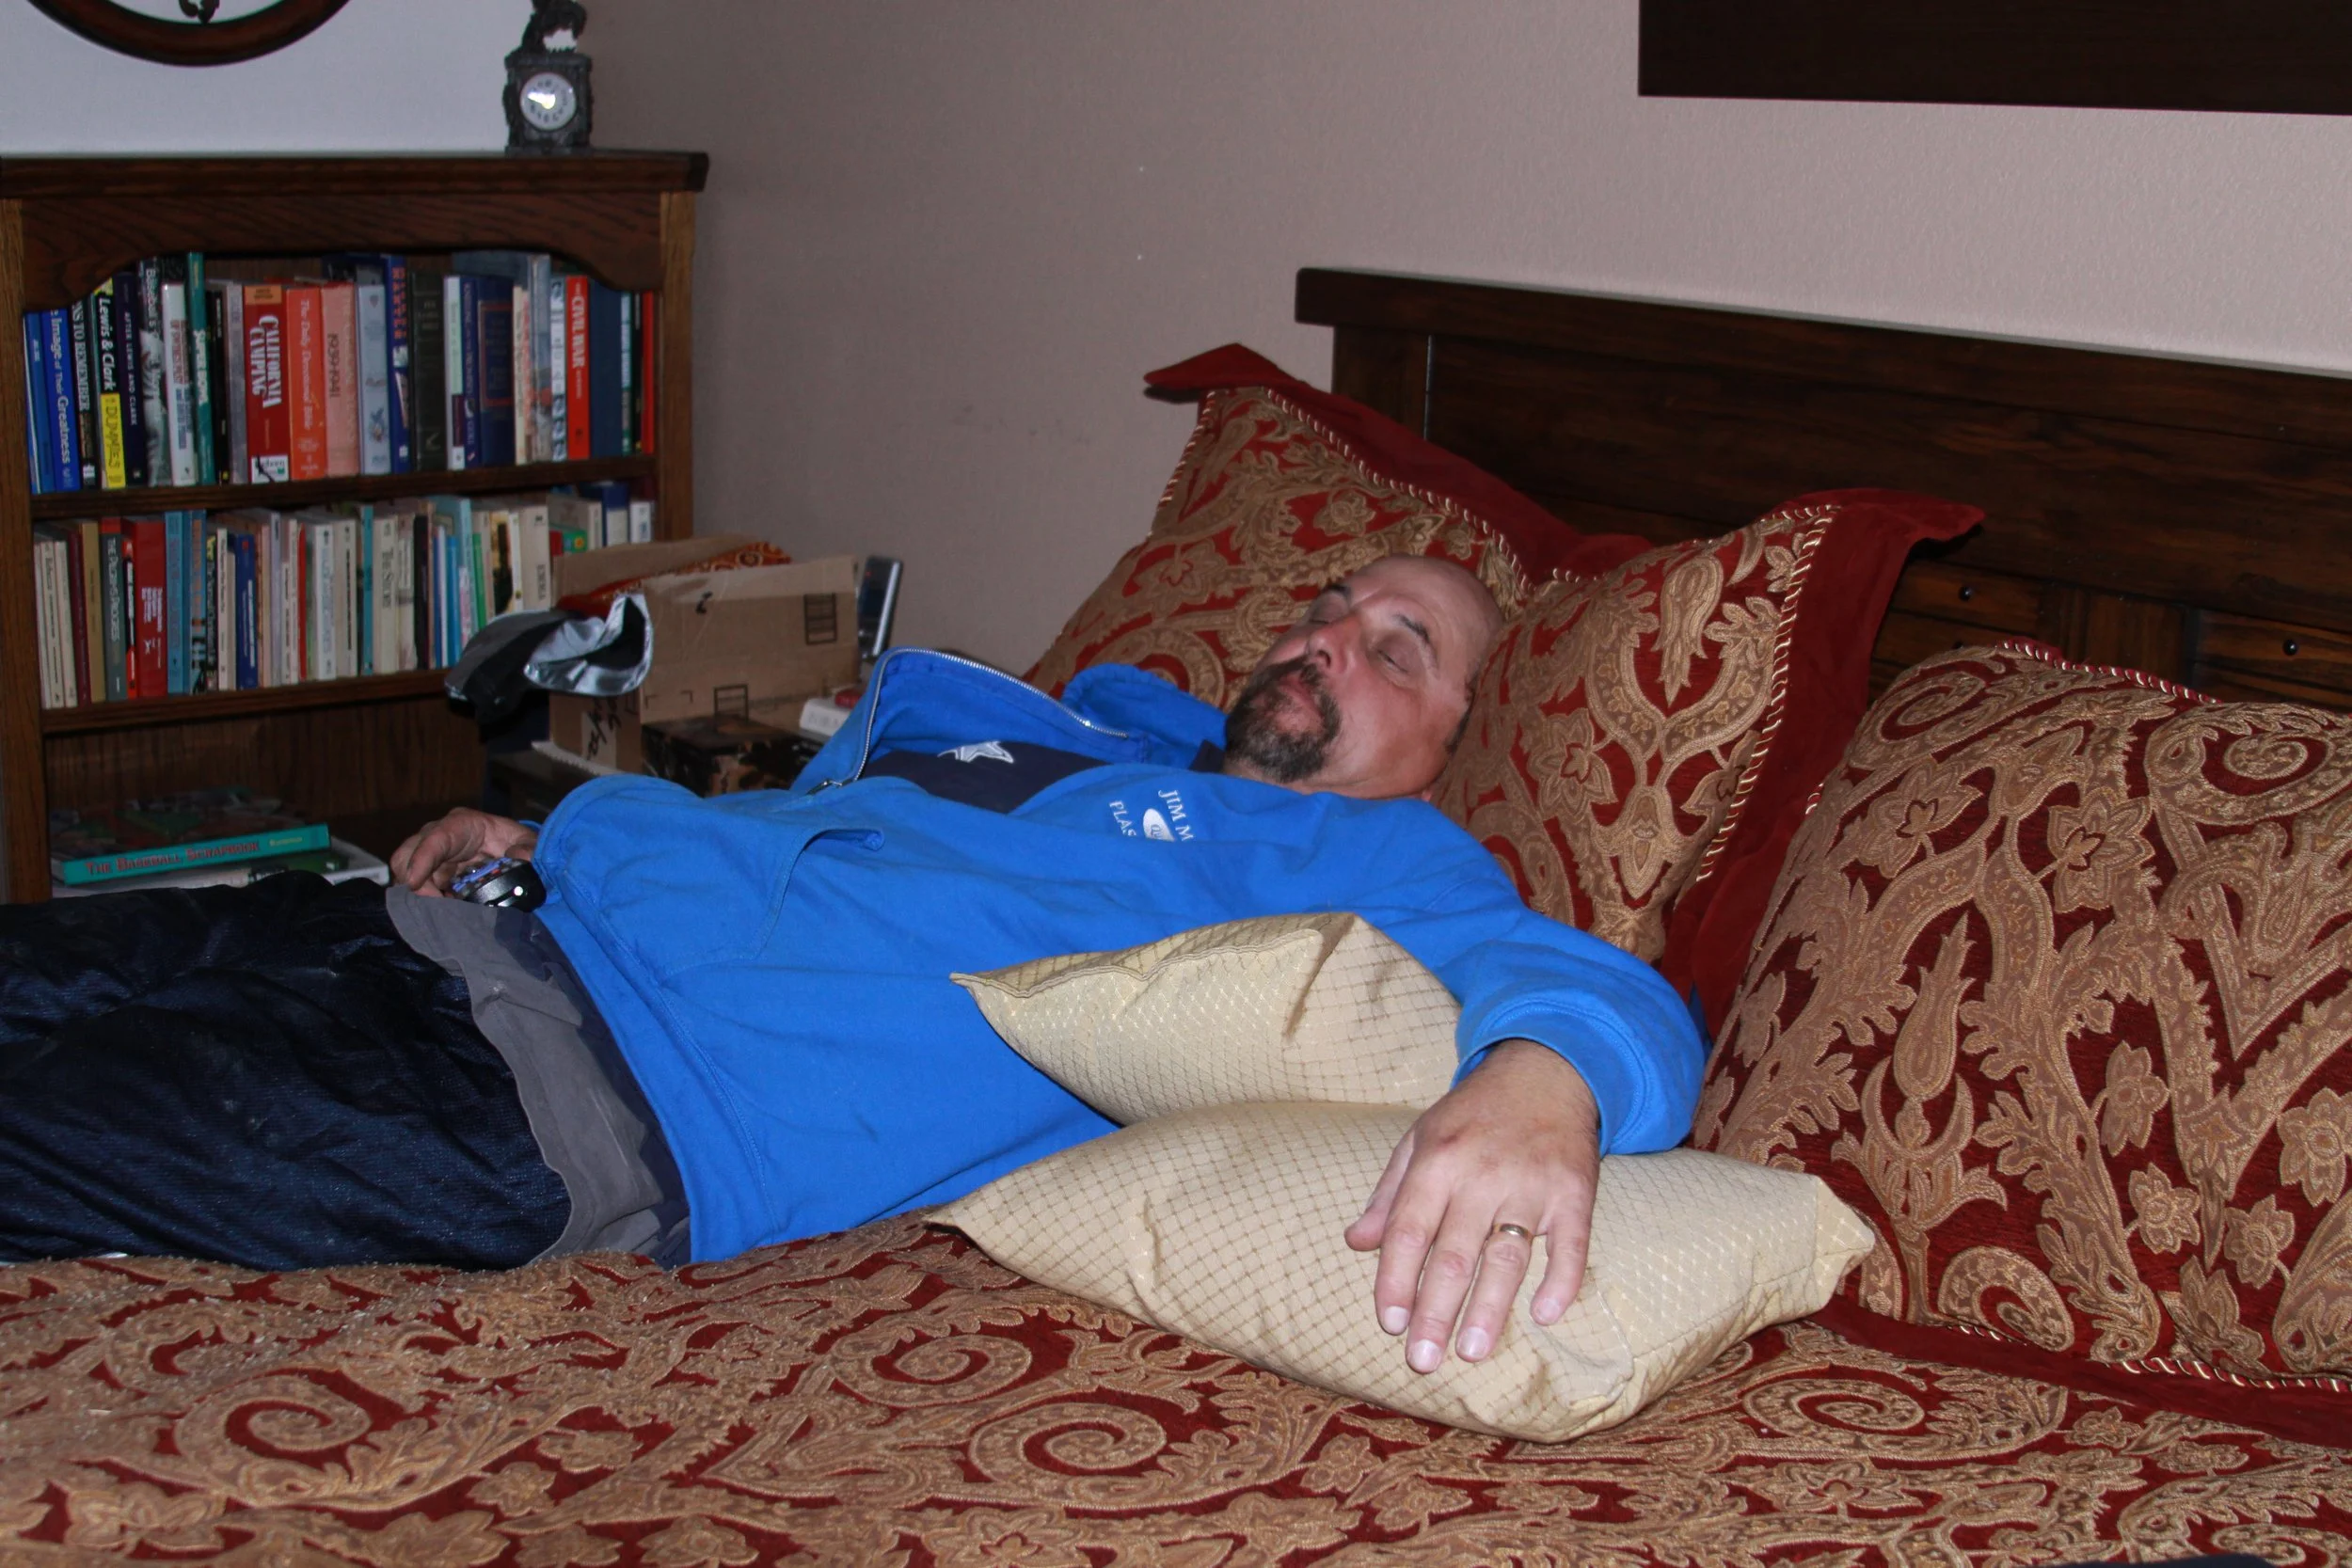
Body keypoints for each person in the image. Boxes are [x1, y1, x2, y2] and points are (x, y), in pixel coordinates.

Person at [0, 555, 1704, 1375]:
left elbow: (1603, 990)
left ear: (1465, 736)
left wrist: (1541, 1084)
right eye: (1326, 604)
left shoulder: (1389, 863)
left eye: (1398, 646)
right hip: (443, 927)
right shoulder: (1099, 736)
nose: (1326, 636)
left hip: (560, 1094)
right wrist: (540, 836)